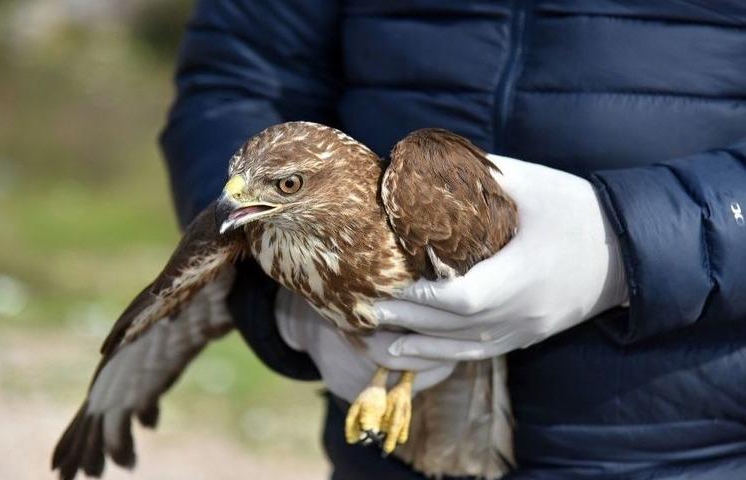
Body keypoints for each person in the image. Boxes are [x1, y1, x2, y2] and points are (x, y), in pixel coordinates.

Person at [160, 2, 746, 479]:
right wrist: (285, 295)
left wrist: (632, 244)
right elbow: (238, 76)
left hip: (692, 443)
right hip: (386, 458)